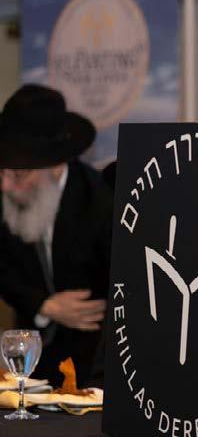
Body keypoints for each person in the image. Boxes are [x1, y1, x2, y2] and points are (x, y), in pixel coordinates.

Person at [0, 84, 113, 386]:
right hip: (30, 366)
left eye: (18, 174)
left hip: (94, 369)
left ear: (55, 165)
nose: (5, 186)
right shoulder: (7, 194)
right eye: (2, 172)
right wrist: (43, 305)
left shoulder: (101, 202)